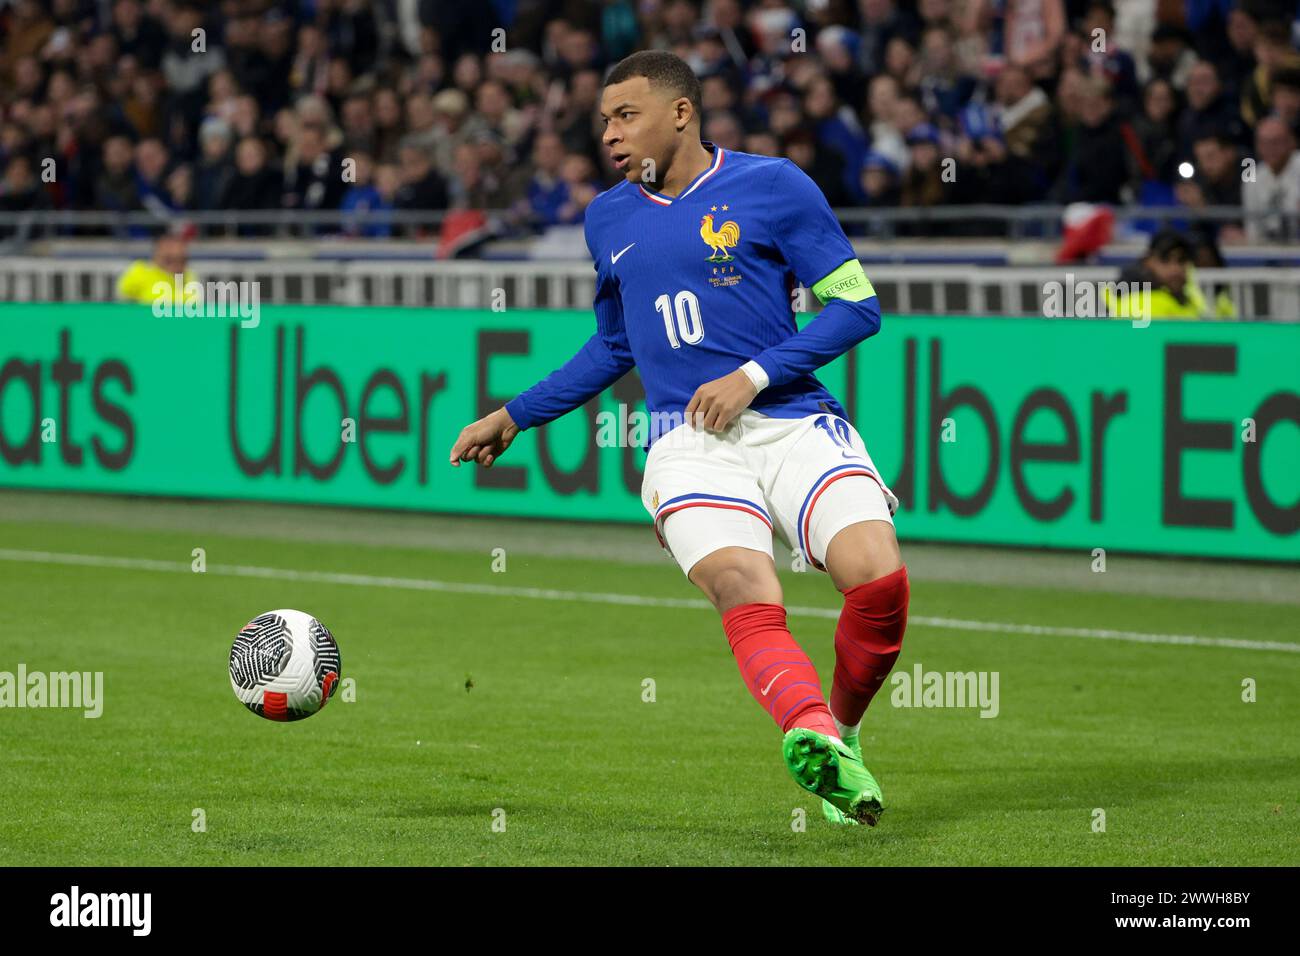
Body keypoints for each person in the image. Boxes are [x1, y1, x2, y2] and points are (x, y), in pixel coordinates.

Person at [448, 51, 906, 827]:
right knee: (743, 584)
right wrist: (516, 413)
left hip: (793, 417)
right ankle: (809, 729)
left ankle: (844, 733)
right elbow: (615, 345)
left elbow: (857, 306)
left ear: (682, 113)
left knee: (879, 583)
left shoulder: (774, 185)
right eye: (604, 122)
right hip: (685, 439)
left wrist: (753, 376)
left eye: (626, 116)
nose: (611, 136)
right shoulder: (609, 217)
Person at [116, 234, 195, 304]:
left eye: (181, 259)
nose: (175, 252)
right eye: (170, 258)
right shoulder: (139, 271)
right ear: (157, 253)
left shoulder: (189, 276)